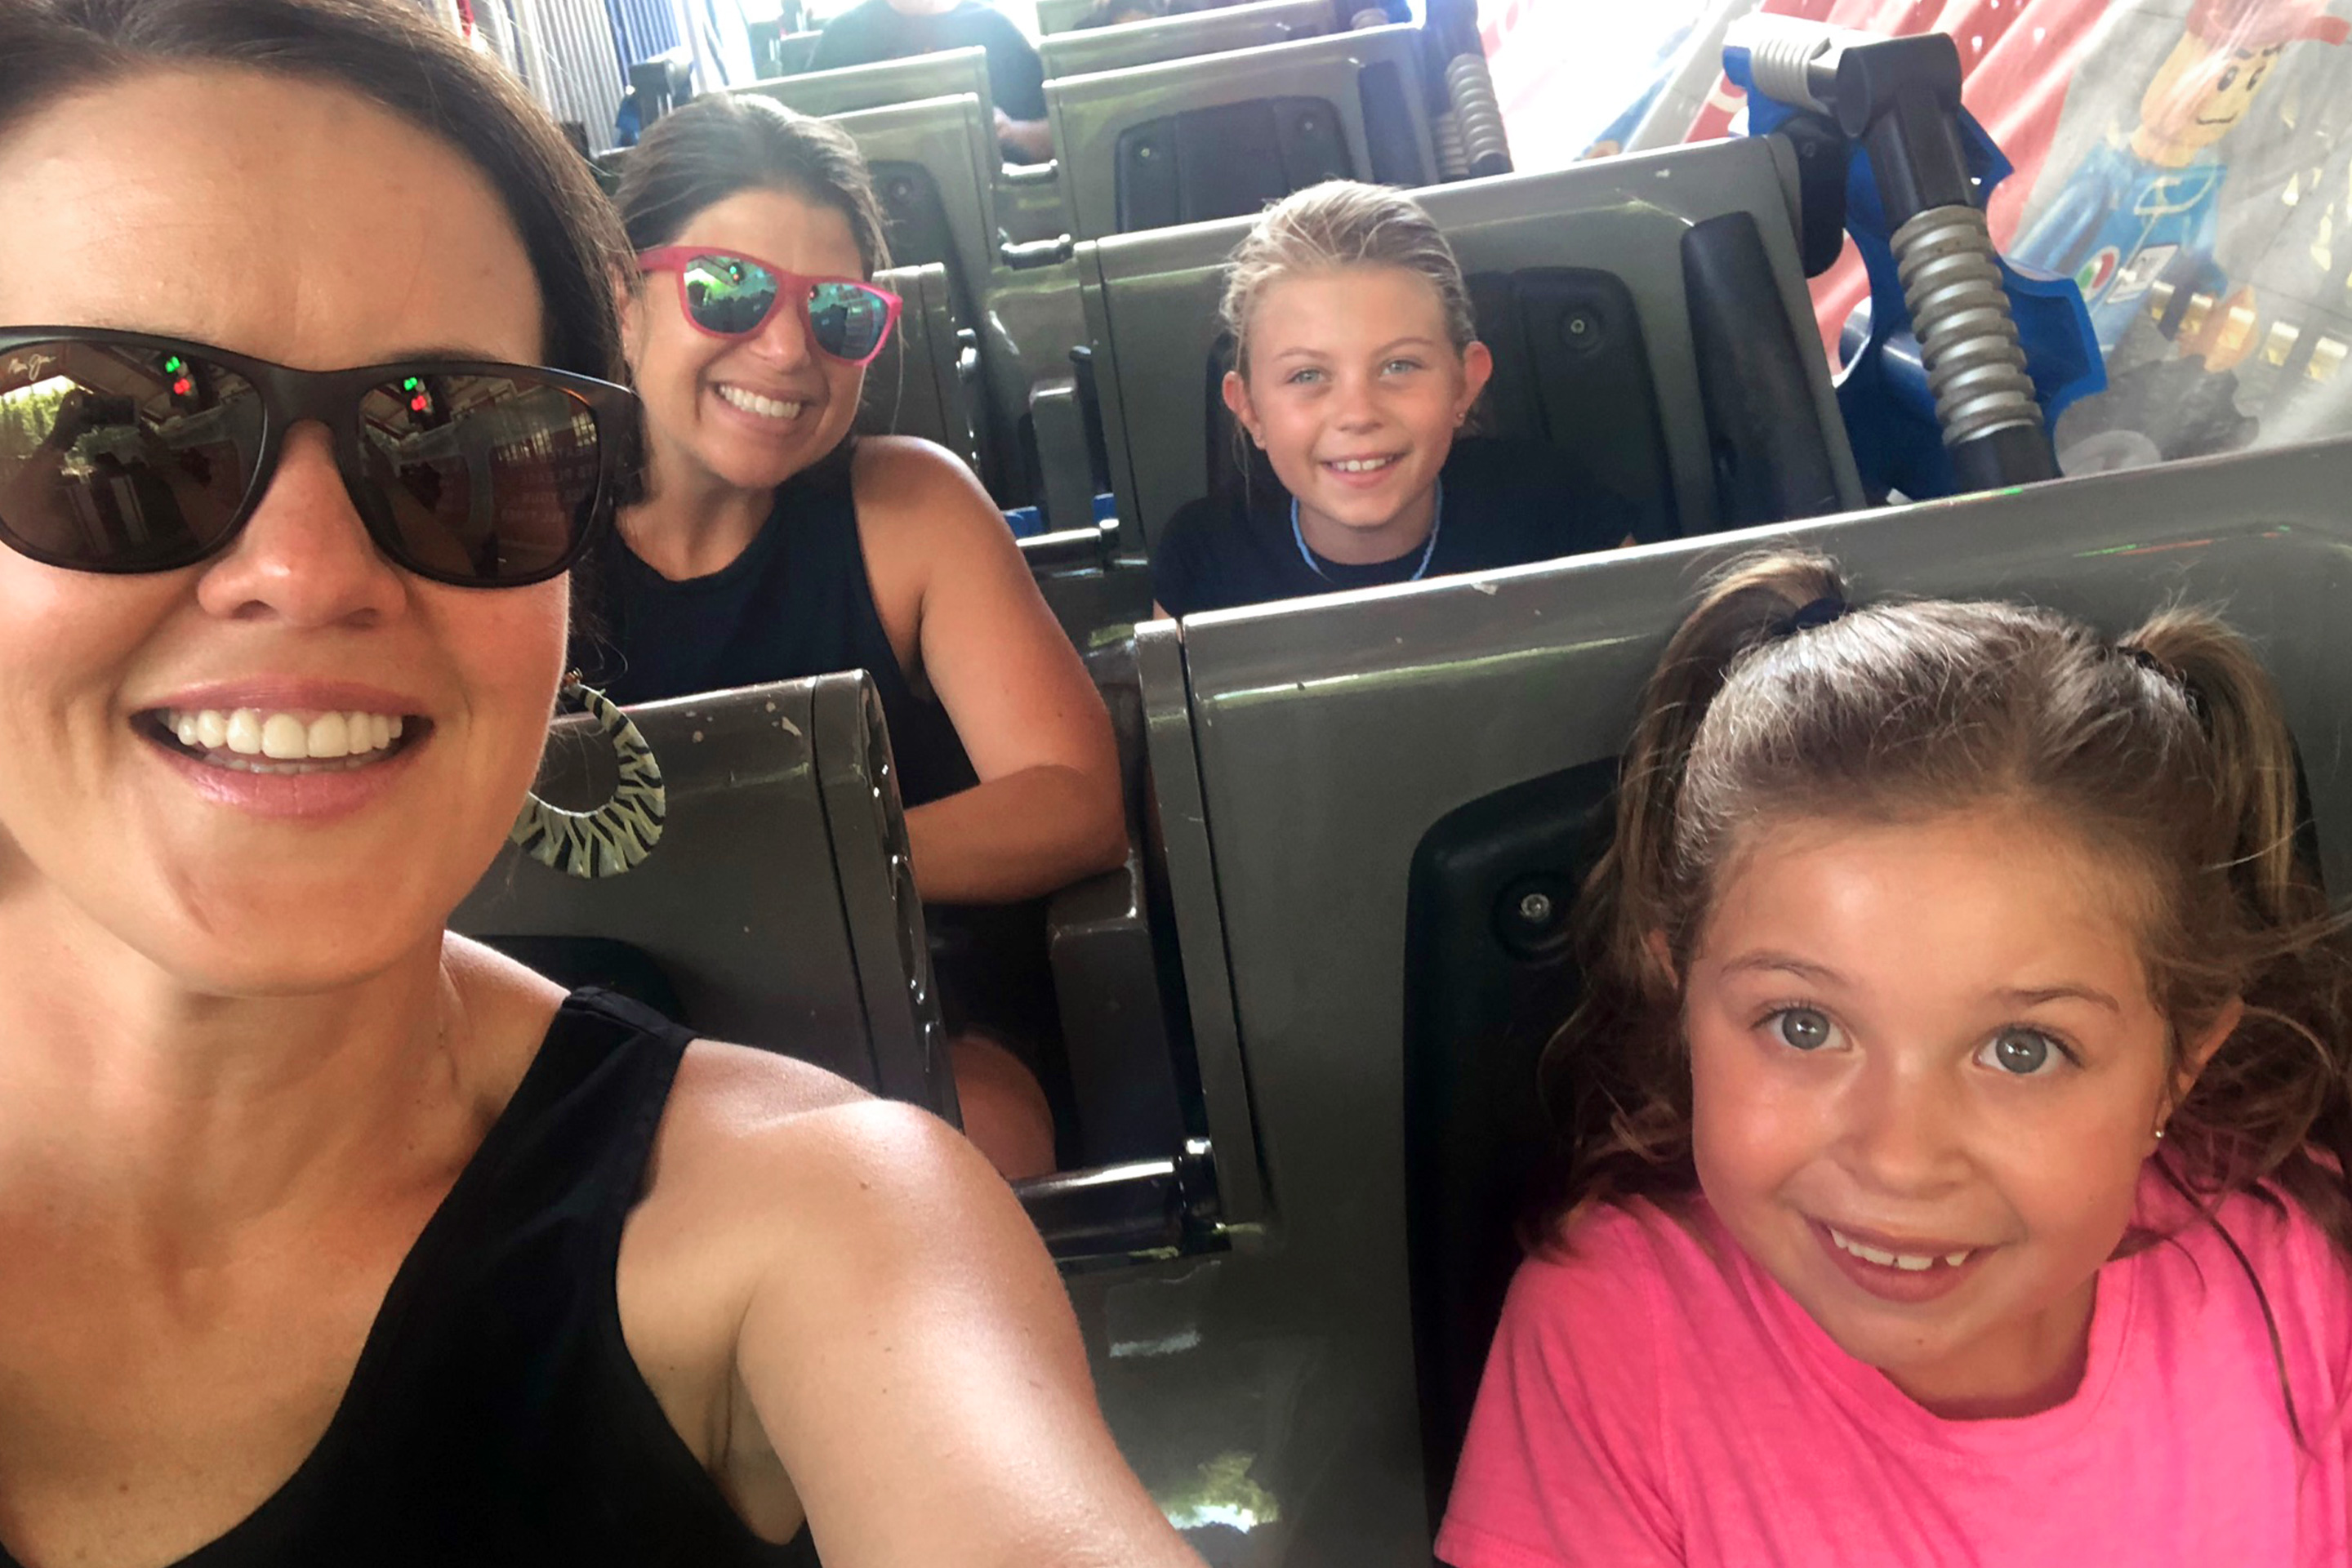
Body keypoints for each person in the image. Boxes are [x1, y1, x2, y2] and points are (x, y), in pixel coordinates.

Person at [0, 2, 1201, 1563]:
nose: (307, 572)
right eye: (110, 438)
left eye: (465, 455)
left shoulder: (811, 1218)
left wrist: (824, 862)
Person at [1437, 551, 2352, 1566]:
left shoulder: (2296, 1271)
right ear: (1682, 998)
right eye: (1803, 1026)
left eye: (2022, 1048)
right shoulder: (1617, 1338)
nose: (1900, 1159)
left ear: (2180, 1066)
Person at [590, 92, 1125, 1181]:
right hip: (601, 1040)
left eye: (836, 314)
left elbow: (1073, 799)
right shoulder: (514, 549)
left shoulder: (909, 507)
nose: (787, 348)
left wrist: (789, 870)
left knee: (947, 1163)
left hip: (916, 1002)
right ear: (622, 302)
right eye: (727, 290)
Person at [1150, 181, 1636, 618]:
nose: (1359, 414)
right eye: (1308, 375)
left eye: (1398, 366)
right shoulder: (1203, 565)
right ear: (1250, 408)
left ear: (1465, 382)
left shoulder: (1559, 512)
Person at [807, 0, 1052, 162]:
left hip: (993, 213)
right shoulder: (841, 38)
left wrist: (1011, 132)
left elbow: (1060, 136)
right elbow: (800, 147)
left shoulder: (995, 29)